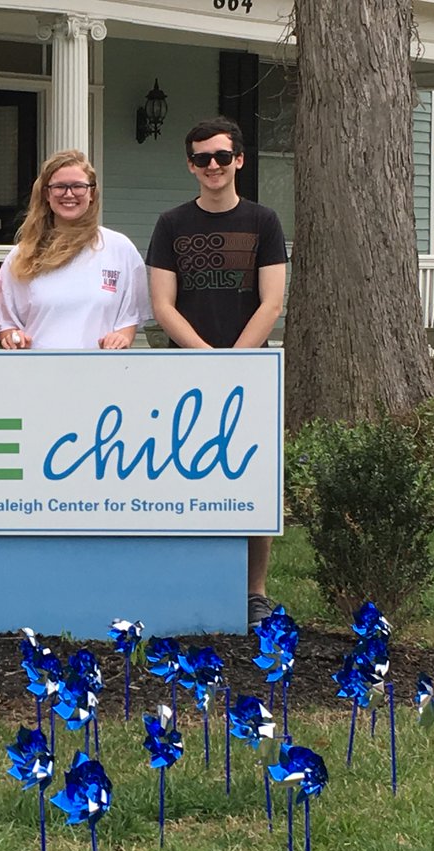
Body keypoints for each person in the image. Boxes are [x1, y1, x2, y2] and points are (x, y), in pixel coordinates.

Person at [146, 116, 288, 630]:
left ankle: (255, 591)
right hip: (185, 369)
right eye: (202, 158)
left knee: (252, 478)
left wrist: (234, 362)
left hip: (249, 371)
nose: (213, 166)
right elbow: (163, 304)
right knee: (184, 474)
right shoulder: (171, 225)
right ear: (190, 164)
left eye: (222, 157)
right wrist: (205, 356)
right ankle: (191, 580)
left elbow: (272, 302)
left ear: (239, 161)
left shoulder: (263, 222)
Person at [0, 150, 147, 350]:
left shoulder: (120, 249)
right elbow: (7, 323)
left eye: (78, 186)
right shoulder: (22, 256)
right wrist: (13, 337)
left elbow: (129, 319)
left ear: (92, 193)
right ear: (47, 194)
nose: (68, 194)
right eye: (59, 187)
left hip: (101, 372)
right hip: (39, 372)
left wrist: (120, 338)